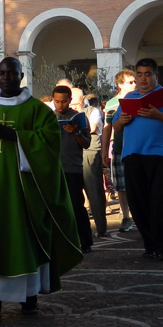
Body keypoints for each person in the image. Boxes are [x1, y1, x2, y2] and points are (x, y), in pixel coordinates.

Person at [0, 58, 83, 320]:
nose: (5, 77)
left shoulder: (38, 111)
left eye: (11, 73)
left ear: (21, 75)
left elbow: (50, 145)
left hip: (25, 193)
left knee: (25, 239)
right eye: (1, 73)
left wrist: (16, 136)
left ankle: (29, 297)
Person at [111, 58, 163, 261]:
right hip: (132, 155)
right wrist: (122, 120)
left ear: (156, 75)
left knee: (161, 202)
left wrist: (158, 115)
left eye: (147, 74)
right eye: (139, 74)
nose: (143, 78)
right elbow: (116, 126)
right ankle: (150, 244)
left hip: (160, 156)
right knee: (138, 203)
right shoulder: (130, 96)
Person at [52, 85, 93, 253]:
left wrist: (76, 133)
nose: (60, 105)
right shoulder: (48, 118)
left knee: (76, 206)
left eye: (63, 101)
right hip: (53, 168)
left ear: (70, 101)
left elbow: (86, 143)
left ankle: (85, 242)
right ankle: (59, 241)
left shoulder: (78, 118)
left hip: (73, 168)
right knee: (54, 207)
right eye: (57, 101)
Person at [102, 69, 136, 232]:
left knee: (138, 183)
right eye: (130, 82)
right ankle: (126, 216)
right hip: (120, 148)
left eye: (135, 81)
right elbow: (107, 128)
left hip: (138, 147)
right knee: (121, 186)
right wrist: (104, 151)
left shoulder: (140, 98)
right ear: (120, 84)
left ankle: (140, 215)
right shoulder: (112, 103)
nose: (134, 84)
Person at [82, 93, 108, 237]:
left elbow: (91, 128)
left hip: (90, 152)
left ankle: (101, 228)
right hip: (69, 153)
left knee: (94, 190)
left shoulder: (93, 111)